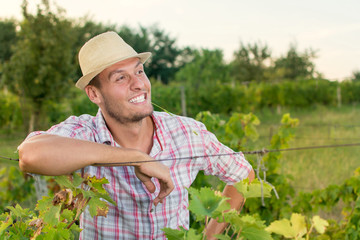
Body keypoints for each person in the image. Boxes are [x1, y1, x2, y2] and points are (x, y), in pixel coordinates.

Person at [18, 31, 255, 240]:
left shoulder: (186, 133)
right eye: (121, 77)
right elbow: (29, 155)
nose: (139, 84)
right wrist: (132, 157)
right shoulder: (84, 134)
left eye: (139, 71)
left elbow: (242, 175)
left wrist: (210, 237)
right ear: (93, 94)